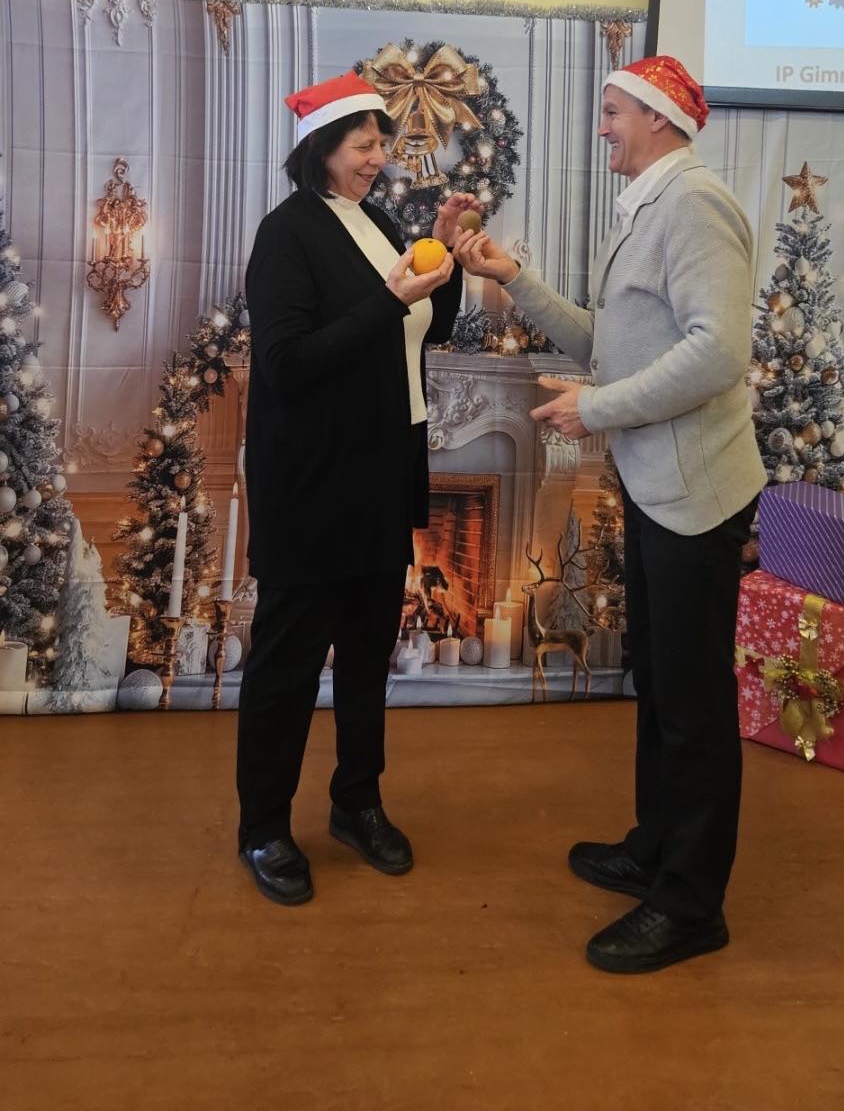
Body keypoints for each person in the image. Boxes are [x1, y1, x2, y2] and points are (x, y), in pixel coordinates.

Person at [456, 55, 765, 974]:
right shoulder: (649, 208)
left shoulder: (695, 205)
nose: (602, 128)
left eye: (613, 111)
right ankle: (656, 847)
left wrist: (594, 409)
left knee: (692, 702)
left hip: (695, 490)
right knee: (658, 681)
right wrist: (516, 278)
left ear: (660, 118)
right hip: (656, 481)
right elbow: (610, 341)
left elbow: (717, 353)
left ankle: (691, 904)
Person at [237, 70, 474, 906]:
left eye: (381, 145)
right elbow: (286, 364)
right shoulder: (287, 234)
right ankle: (264, 825)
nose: (379, 158)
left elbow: (427, 328)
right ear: (322, 148)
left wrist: (444, 254)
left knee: (369, 654)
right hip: (313, 479)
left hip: (382, 466)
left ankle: (357, 801)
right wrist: (386, 298)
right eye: (363, 144)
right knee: (288, 664)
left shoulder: (377, 222)